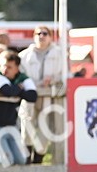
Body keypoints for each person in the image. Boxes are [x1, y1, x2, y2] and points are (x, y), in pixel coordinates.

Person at [0, 51, 37, 167]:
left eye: (9, 67)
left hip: (10, 125)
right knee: (7, 160)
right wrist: (20, 89)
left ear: (17, 68)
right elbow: (8, 91)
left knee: (21, 160)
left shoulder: (23, 78)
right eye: (3, 65)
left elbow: (33, 96)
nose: (5, 69)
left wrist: (16, 90)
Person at [18, 26, 65, 164]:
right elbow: (20, 76)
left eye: (45, 33)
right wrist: (32, 84)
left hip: (49, 98)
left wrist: (53, 80)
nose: (41, 36)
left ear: (50, 36)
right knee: (27, 129)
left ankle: (38, 160)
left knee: (45, 131)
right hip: (30, 97)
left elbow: (64, 76)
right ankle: (26, 161)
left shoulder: (59, 54)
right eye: (38, 33)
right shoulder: (24, 56)